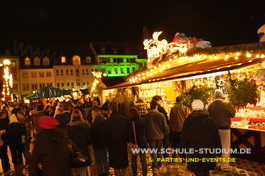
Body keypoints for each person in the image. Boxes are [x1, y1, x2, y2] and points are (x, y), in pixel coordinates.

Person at [180, 99, 222, 176]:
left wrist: (181, 152)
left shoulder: (188, 121)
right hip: (208, 151)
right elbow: (216, 137)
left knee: (198, 171)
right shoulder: (210, 120)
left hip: (194, 152)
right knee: (206, 171)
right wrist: (219, 151)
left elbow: (184, 137)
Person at [208, 90, 235, 171]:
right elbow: (233, 115)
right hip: (225, 128)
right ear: (222, 95)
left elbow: (208, 116)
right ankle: (224, 165)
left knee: (215, 145)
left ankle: (216, 163)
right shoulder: (227, 104)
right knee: (225, 146)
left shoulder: (211, 105)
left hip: (214, 129)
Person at [143, 101, 169, 174]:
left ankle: (154, 165)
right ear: (156, 106)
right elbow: (165, 126)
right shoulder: (161, 115)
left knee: (153, 151)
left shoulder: (146, 116)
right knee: (160, 150)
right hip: (160, 135)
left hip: (151, 136)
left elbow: (144, 127)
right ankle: (159, 164)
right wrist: (165, 133)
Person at [106, 101, 129, 176]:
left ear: (110, 110)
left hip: (112, 145)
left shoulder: (108, 122)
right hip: (122, 143)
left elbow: (107, 135)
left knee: (116, 164)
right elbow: (127, 132)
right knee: (123, 162)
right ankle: (124, 174)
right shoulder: (124, 119)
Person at [66, 109, 92, 176]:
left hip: (74, 153)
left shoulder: (69, 127)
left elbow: (67, 140)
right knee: (83, 170)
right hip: (84, 151)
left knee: (74, 171)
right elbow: (89, 139)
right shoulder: (85, 125)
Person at [129, 107, 148, 176]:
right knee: (143, 159)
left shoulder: (129, 122)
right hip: (142, 142)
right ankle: (144, 173)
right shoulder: (141, 120)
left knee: (133, 159)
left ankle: (134, 173)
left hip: (134, 142)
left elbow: (128, 133)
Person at [91, 108, 109, 176]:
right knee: (105, 160)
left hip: (97, 145)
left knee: (98, 161)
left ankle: (100, 173)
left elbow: (93, 135)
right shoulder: (105, 122)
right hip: (104, 144)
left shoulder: (94, 124)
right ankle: (107, 172)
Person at [0, 110, 12, 175]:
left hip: (6, 139)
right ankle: (6, 168)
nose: (5, 115)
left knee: (4, 154)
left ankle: (7, 167)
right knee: (3, 154)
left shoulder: (7, 120)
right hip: (2, 140)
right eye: (4, 114)